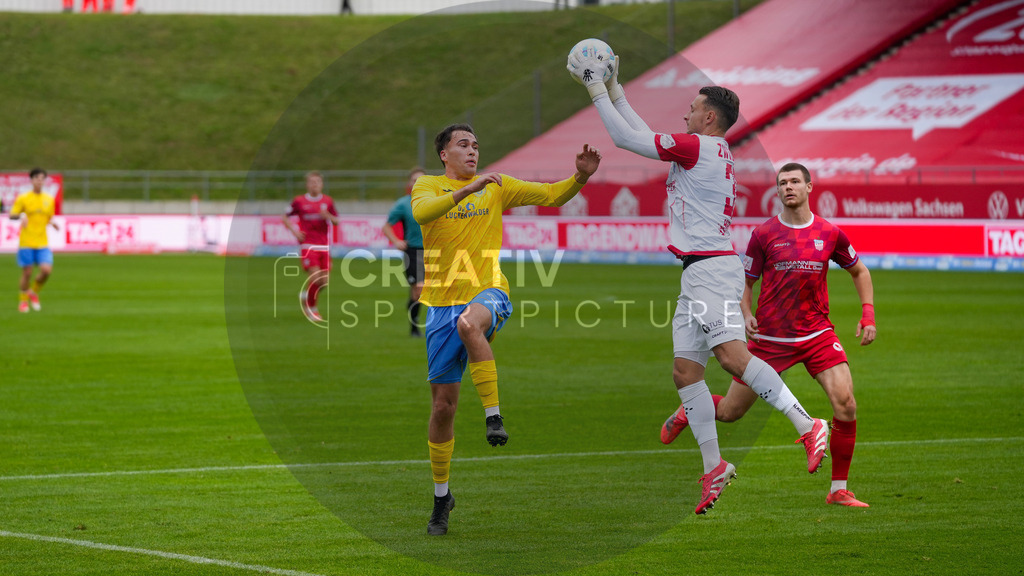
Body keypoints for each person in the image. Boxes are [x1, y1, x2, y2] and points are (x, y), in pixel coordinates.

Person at [568, 48, 829, 515]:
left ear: (709, 117)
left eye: (691, 108)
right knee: (685, 373)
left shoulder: (696, 147)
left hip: (712, 270)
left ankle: (807, 424)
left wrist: (594, 87)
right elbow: (641, 133)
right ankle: (714, 467)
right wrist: (615, 90)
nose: (685, 114)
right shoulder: (707, 148)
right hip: (698, 272)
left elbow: (626, 139)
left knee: (732, 358)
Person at [412, 123, 600, 536]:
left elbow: (551, 195)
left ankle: (493, 417)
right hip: (440, 306)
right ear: (444, 154)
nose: (472, 151)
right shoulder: (427, 186)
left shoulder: (495, 186)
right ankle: (442, 497)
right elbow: (422, 213)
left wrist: (580, 177)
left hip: (488, 289)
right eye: (463, 145)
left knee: (469, 324)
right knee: (442, 408)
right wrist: (467, 190)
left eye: (476, 145)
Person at [662, 163, 876, 507]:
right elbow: (745, 283)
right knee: (730, 412)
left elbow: (859, 271)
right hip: (770, 340)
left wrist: (868, 315)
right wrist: (746, 314)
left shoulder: (830, 233)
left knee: (846, 404)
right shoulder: (764, 235)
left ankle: (838, 489)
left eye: (795, 181)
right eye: (782, 183)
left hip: (817, 334)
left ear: (809, 187)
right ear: (777, 191)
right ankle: (692, 408)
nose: (788, 187)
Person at [282, 171, 339, 322]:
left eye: (317, 182)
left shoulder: (328, 201)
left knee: (324, 282)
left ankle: (306, 295)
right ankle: (312, 310)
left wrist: (328, 216)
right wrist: (295, 231)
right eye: (312, 182)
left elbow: (337, 221)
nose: (315, 185)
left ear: (322, 184)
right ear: (307, 185)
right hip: (308, 245)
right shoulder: (299, 201)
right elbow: (285, 217)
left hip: (324, 246)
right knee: (315, 277)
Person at [382, 167, 427, 337]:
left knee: (433, 290)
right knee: (419, 290)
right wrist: (396, 241)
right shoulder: (403, 204)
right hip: (414, 252)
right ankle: (414, 328)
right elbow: (387, 226)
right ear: (410, 183)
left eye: (421, 180)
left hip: (435, 251)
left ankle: (437, 327)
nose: (418, 183)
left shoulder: (435, 201)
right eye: (415, 180)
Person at [10, 168, 59, 314]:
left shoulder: (49, 199)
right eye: (37, 178)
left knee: (46, 270)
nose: (39, 181)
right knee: (27, 273)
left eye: (42, 178)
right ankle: (23, 301)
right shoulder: (23, 198)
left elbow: (48, 217)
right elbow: (12, 215)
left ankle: (33, 292)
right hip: (27, 241)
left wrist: (52, 222)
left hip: (42, 242)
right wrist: (21, 216)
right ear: (31, 180)